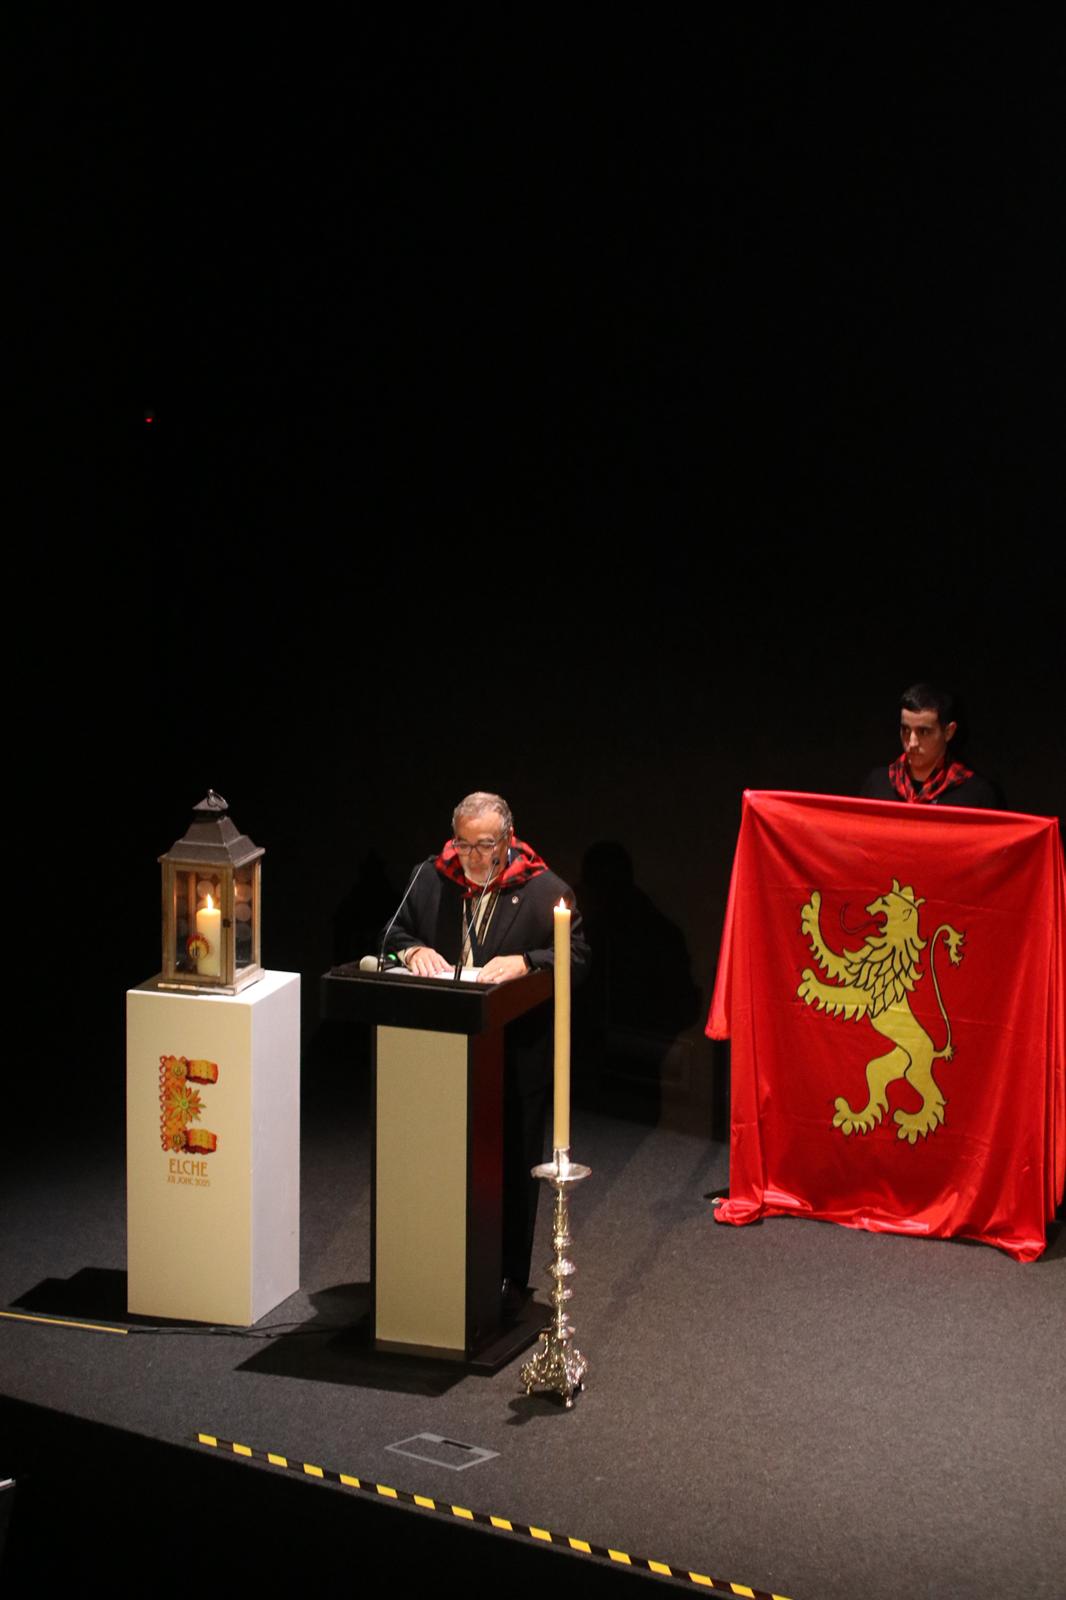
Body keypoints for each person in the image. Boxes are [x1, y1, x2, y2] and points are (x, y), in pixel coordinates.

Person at [382, 791, 589, 1297]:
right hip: (439, 1057)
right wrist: (412, 950)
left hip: (515, 1056)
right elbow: (392, 935)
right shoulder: (429, 878)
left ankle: (509, 1281)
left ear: (508, 841)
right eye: (464, 844)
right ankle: (438, 1268)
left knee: (511, 1171)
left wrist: (528, 961)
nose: (473, 857)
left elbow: (578, 957)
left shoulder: (544, 891)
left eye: (485, 845)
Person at [861, 683, 1001, 808]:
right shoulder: (878, 783)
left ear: (949, 732)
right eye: (906, 730)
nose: (912, 743)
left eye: (923, 732)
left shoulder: (977, 794)